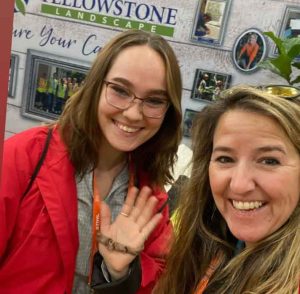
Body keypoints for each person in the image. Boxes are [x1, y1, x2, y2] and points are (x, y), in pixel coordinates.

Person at [0, 29, 182, 294]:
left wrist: (119, 274)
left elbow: (160, 282)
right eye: (120, 90)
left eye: (154, 100)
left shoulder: (150, 195)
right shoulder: (23, 158)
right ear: (97, 86)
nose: (133, 113)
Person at [154, 85, 300, 294]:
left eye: (269, 161)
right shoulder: (204, 248)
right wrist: (120, 276)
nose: (239, 185)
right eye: (225, 158)